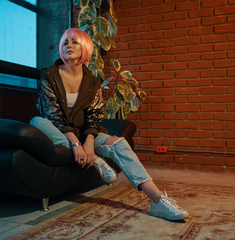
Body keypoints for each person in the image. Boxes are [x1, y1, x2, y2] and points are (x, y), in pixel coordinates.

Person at [30, 28, 189, 221]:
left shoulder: (92, 81)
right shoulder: (49, 75)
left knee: (119, 143)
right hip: (57, 131)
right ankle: (95, 160)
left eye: (74, 42)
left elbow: (95, 115)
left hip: (83, 132)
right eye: (65, 42)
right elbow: (53, 115)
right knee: (37, 121)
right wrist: (77, 145)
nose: (68, 46)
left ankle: (157, 201)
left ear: (85, 47)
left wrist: (88, 142)